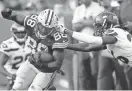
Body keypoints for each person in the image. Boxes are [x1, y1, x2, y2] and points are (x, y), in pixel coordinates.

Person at [57, 11, 132, 89]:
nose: (97, 28)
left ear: (107, 24)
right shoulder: (113, 36)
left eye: (99, 25)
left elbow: (93, 40)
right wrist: (65, 45)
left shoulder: (114, 33)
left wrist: (66, 31)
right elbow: (88, 47)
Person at [1, 8, 68, 90]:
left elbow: (57, 64)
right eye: (41, 26)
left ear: (54, 28)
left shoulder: (58, 38)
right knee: (17, 85)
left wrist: (41, 65)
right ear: (37, 22)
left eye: (48, 28)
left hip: (45, 68)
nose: (43, 30)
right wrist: (10, 14)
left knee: (35, 88)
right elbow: (17, 16)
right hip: (31, 61)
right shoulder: (31, 23)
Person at [72, 0, 104, 89]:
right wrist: (89, 21)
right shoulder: (78, 9)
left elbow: (100, 24)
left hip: (95, 44)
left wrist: (82, 21)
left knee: (95, 71)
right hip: (82, 45)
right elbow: (74, 27)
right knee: (83, 73)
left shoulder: (98, 8)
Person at [0, 23, 31, 90]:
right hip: (14, 73)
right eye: (18, 33)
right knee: (13, 84)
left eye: (23, 32)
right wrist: (10, 75)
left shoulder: (32, 42)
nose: (20, 35)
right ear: (13, 33)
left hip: (29, 73)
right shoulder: (8, 45)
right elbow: (0, 65)